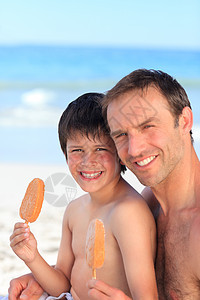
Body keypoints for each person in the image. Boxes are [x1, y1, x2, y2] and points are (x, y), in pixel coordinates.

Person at [9, 92, 158, 300]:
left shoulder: (128, 214)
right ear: (65, 154)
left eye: (100, 149)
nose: (88, 161)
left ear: (120, 153)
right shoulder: (74, 209)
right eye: (77, 150)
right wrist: (32, 257)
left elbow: (147, 297)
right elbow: (61, 283)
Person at [87, 69, 200, 300]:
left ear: (184, 121)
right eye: (121, 135)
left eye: (148, 126)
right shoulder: (144, 206)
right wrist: (45, 281)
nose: (134, 149)